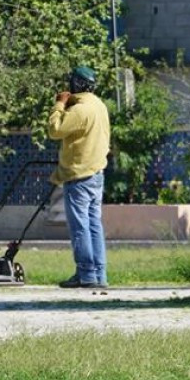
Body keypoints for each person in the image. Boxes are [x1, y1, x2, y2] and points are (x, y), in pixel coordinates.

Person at [48, 65, 111, 288]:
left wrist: (59, 104)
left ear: (76, 83)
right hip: (97, 174)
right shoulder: (99, 106)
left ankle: (86, 274)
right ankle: (99, 275)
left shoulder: (80, 110)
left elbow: (55, 130)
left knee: (80, 227)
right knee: (94, 225)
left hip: (79, 176)